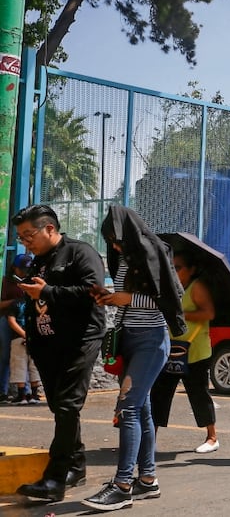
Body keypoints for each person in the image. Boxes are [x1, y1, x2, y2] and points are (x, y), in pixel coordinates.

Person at [83, 205, 187, 511]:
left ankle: (122, 485)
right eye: (110, 242)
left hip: (150, 341)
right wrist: (108, 296)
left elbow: (170, 298)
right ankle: (148, 479)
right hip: (127, 337)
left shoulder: (155, 252)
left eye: (117, 241)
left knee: (128, 408)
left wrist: (126, 298)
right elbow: (127, 296)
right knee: (141, 410)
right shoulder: (125, 257)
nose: (114, 247)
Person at [13, 204, 106, 504]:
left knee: (67, 405)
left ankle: (54, 479)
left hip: (79, 341)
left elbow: (94, 292)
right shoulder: (38, 261)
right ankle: (75, 466)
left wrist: (48, 292)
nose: (25, 242)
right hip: (46, 344)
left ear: (50, 228)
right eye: (21, 237)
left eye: (29, 235)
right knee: (59, 407)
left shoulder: (80, 253)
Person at [149, 249, 218, 453]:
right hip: (170, 348)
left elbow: (209, 313)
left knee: (198, 393)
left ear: (191, 269)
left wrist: (181, 313)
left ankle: (212, 437)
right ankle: (150, 438)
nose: (174, 271)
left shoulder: (197, 287)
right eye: (172, 267)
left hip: (194, 350)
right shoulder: (169, 288)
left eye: (178, 267)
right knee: (160, 393)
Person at [1, 254, 33, 403]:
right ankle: (2, 391)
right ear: (14, 267)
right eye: (22, 269)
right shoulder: (6, 282)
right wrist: (16, 301)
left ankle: (27, 392)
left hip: (25, 321)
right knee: (5, 356)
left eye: (27, 270)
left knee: (27, 357)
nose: (24, 272)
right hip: (8, 318)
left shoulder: (31, 280)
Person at [7, 291, 43, 404]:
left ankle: (21, 396)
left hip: (18, 338)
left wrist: (24, 335)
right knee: (34, 365)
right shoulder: (38, 303)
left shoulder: (15, 303)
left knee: (19, 365)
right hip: (35, 338)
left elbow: (11, 321)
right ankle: (34, 395)